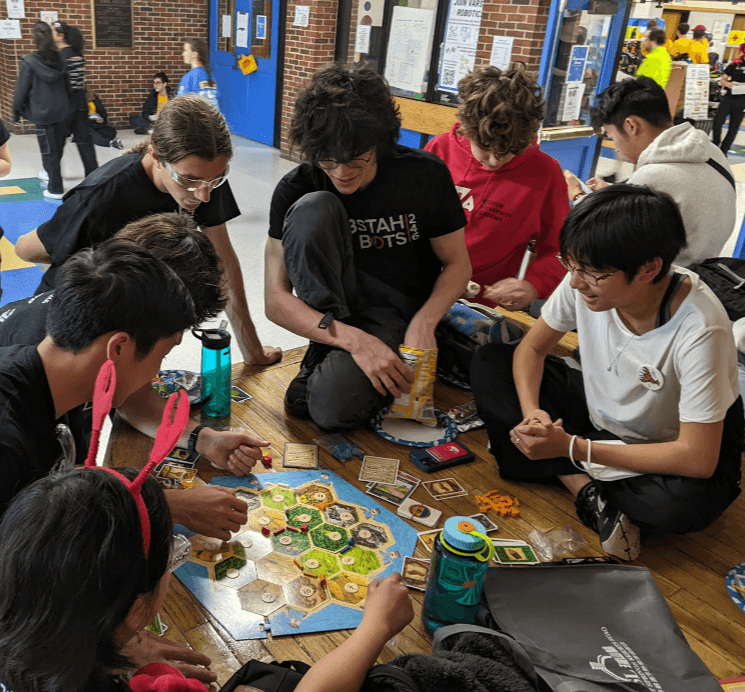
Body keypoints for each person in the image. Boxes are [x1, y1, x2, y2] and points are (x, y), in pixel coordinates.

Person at [470, 185, 743, 561]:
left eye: (593, 273)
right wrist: (534, 412)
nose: (577, 282)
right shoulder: (584, 278)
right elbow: (531, 349)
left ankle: (559, 462)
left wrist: (570, 446)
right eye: (572, 265)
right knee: (491, 363)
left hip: (669, 443)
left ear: (649, 268)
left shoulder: (701, 328)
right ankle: (585, 488)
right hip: (600, 413)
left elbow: (697, 458)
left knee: (680, 506)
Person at [0, 237, 266, 543]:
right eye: (163, 355)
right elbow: (37, 541)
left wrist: (201, 438)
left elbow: (71, 489)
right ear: (119, 347)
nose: (156, 373)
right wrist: (160, 505)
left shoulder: (66, 363)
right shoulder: (7, 439)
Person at [265, 63, 470, 430]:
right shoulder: (297, 186)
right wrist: (354, 342)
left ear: (379, 142)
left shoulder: (424, 175)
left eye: (356, 158)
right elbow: (275, 301)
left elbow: (457, 264)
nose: (342, 172)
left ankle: (342, 355)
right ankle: (327, 348)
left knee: (329, 412)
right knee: (314, 208)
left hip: (397, 311)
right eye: (328, 160)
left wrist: (424, 322)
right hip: (335, 315)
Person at [14, 93, 280, 365]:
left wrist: (252, 349)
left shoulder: (203, 177)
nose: (203, 196)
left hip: (129, 304)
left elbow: (222, 260)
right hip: (65, 319)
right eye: (189, 180)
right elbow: (27, 249)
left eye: (215, 179)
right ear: (156, 155)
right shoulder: (102, 197)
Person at [424, 65, 567, 311]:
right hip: (419, 287)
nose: (494, 161)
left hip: (475, 306)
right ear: (467, 130)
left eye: (509, 152)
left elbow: (562, 250)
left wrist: (533, 285)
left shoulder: (546, 174)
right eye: (485, 149)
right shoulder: (439, 150)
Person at [563, 77, 735, 268]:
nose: (616, 148)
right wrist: (615, 191)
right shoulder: (710, 152)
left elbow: (602, 241)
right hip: (705, 267)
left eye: (612, 137)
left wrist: (577, 196)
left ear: (631, 126)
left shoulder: (653, 176)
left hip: (668, 280)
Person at [12, 21, 68, 200]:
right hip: (62, 110)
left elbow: (22, 89)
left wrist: (16, 110)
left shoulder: (30, 62)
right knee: (57, 147)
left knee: (48, 150)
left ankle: (55, 189)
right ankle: (48, 173)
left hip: (44, 114)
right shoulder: (60, 59)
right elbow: (68, 86)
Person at [52, 21, 98, 177]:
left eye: (52, 32)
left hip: (65, 104)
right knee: (85, 143)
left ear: (60, 36)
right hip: (80, 103)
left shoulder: (61, 57)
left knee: (56, 143)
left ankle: (52, 175)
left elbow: (61, 84)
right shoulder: (77, 54)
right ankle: (93, 176)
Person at [712, 43, 745, 156]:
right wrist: (728, 84)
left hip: (742, 101)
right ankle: (715, 145)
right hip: (729, 97)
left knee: (734, 127)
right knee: (717, 122)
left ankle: (724, 150)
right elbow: (723, 79)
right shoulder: (736, 63)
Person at [178, 38, 219, 106]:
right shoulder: (213, 75)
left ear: (194, 54)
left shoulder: (188, 78)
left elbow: (178, 107)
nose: (183, 54)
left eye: (185, 50)